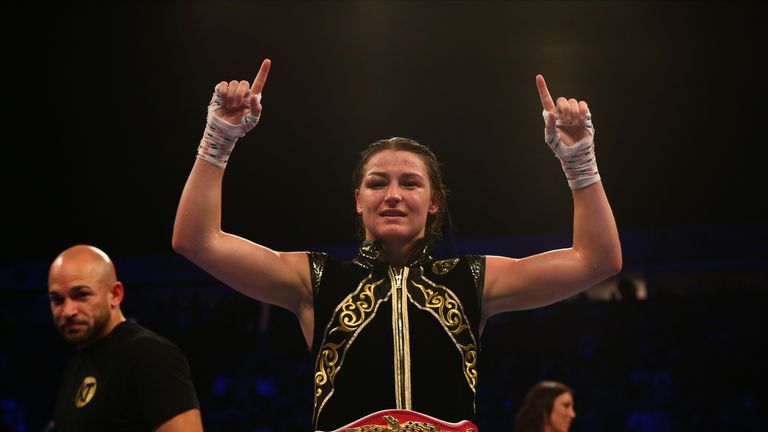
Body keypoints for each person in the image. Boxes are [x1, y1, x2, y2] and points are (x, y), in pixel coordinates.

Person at [172, 58, 621, 431]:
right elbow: (197, 241)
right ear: (357, 201)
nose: (392, 195)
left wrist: (579, 159)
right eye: (377, 183)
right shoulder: (313, 279)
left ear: (433, 202)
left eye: (410, 183)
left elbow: (597, 261)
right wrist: (218, 139)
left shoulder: (476, 279)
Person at [47, 244, 204, 432]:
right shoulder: (76, 366)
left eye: (81, 295)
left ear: (115, 294)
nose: (68, 311)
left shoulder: (150, 354)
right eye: (57, 299)